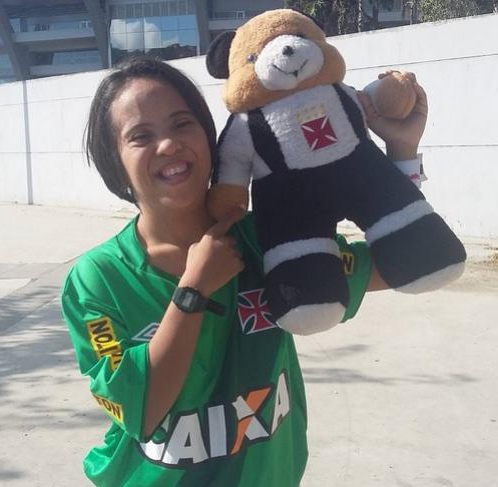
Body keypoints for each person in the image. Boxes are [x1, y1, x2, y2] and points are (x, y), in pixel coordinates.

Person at [61, 57, 428, 486]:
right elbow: (141, 411)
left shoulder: (269, 239)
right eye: (141, 136)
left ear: (210, 137)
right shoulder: (98, 279)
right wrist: (194, 290)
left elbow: (407, 261)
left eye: (182, 124)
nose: (169, 145)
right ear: (115, 161)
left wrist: (402, 152)